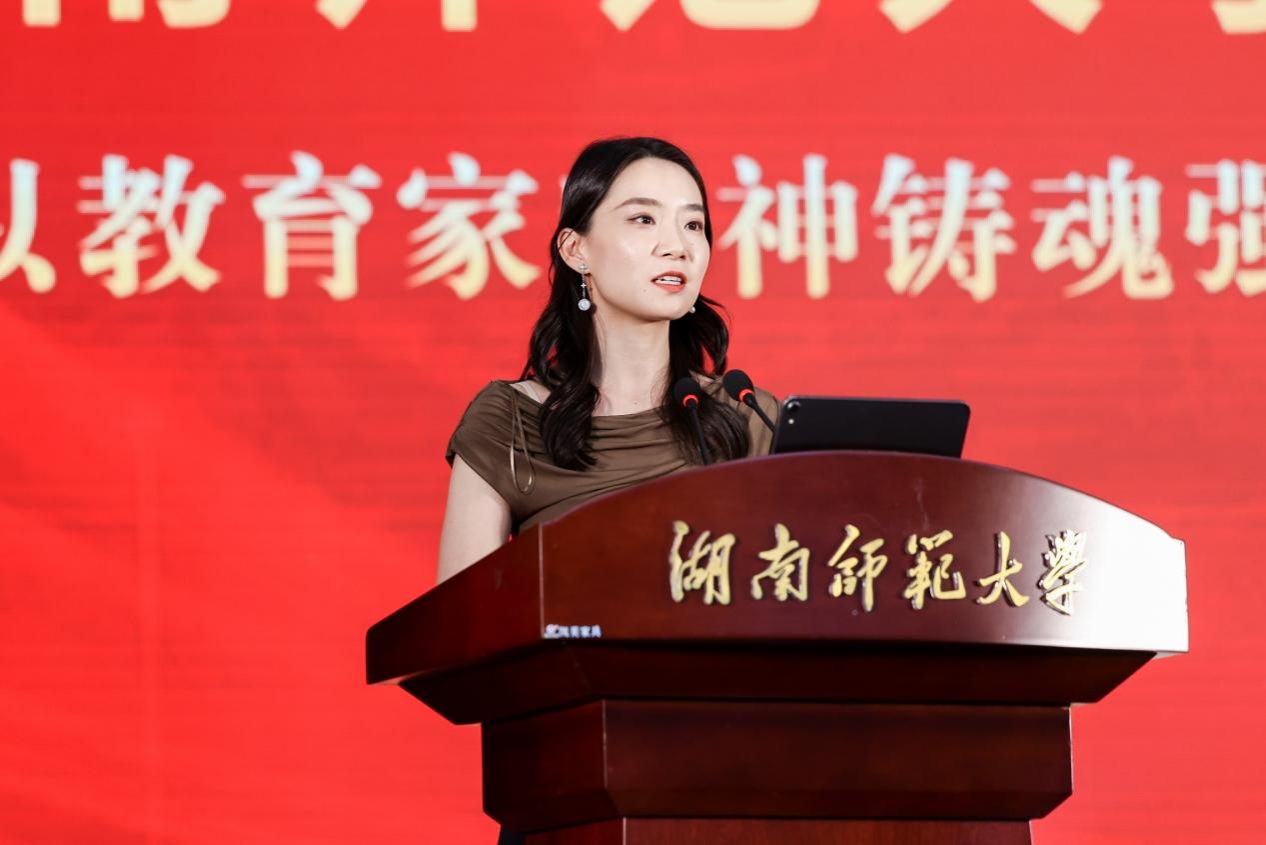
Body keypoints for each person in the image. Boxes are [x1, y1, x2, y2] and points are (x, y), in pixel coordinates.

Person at [433, 137, 779, 844]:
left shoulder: (748, 418)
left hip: (729, 787)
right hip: (569, 789)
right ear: (576, 250)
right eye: (644, 219)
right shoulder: (508, 421)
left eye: (693, 223)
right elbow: (457, 636)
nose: (677, 244)